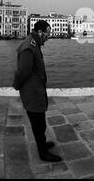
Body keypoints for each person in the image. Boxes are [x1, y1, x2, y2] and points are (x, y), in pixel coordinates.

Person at [13, 20, 62, 162]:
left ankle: (43, 143)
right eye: (47, 34)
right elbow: (22, 72)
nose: (48, 37)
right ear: (40, 33)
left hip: (37, 92)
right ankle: (43, 153)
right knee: (37, 124)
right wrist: (16, 86)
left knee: (40, 123)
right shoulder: (29, 47)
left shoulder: (35, 44)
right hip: (32, 93)